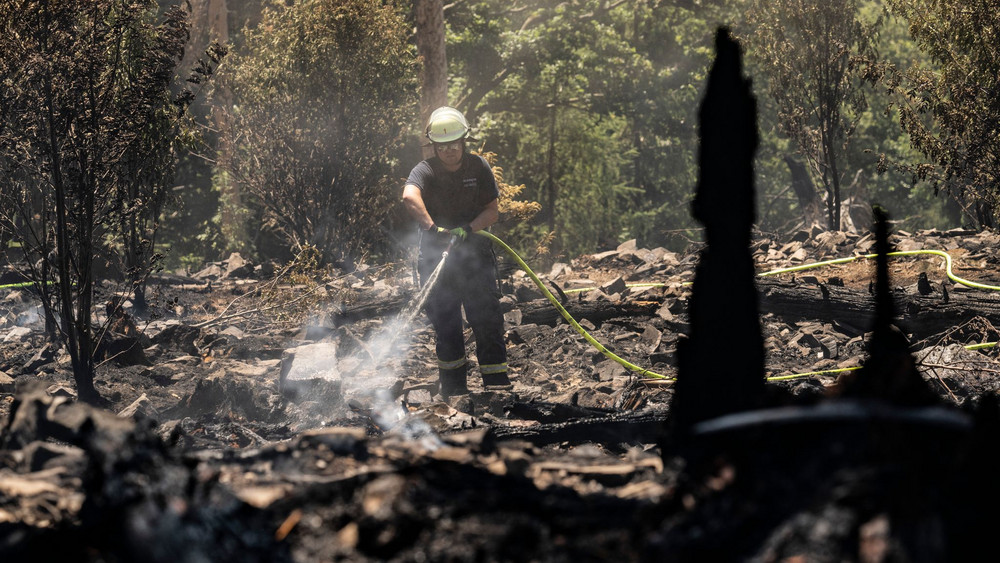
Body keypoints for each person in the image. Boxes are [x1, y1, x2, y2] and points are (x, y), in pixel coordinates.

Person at [401, 106, 511, 398]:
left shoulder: (478, 167)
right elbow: (409, 196)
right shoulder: (425, 170)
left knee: (486, 320)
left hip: (475, 258)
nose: (449, 151)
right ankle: (455, 393)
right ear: (434, 146)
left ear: (463, 141)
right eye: (442, 146)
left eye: (454, 144)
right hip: (437, 259)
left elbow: (492, 211)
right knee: (446, 323)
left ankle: (497, 389)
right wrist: (432, 227)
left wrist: (469, 228)